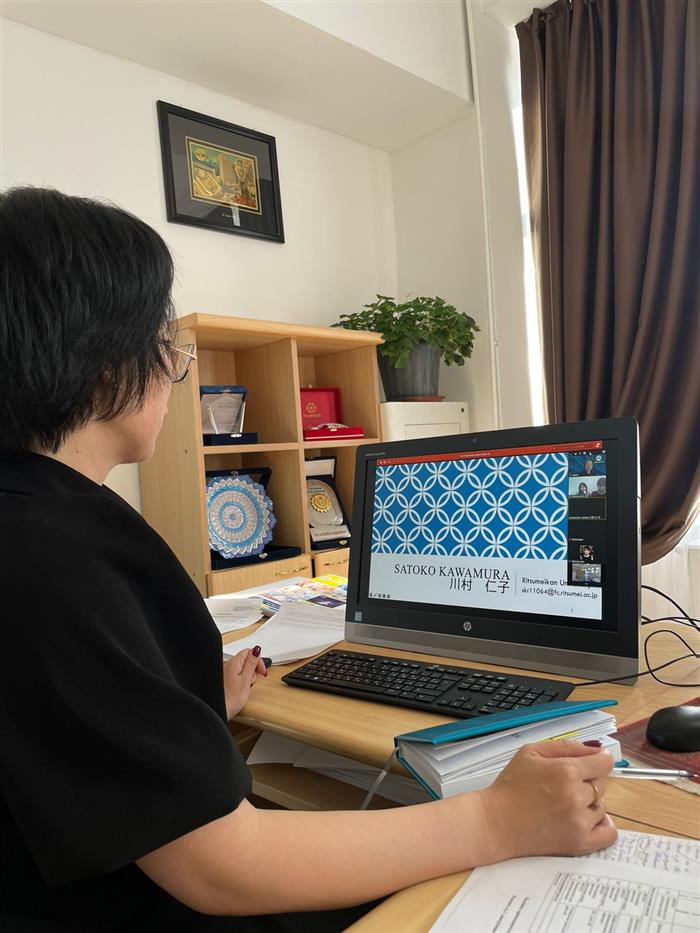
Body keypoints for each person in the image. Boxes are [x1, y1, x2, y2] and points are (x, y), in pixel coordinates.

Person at [0, 188, 616, 933]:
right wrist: (495, 820)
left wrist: (180, 708)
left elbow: (64, 719)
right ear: (102, 361)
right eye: (161, 342)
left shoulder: (39, 518)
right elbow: (221, 865)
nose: (172, 369)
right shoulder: (48, 549)